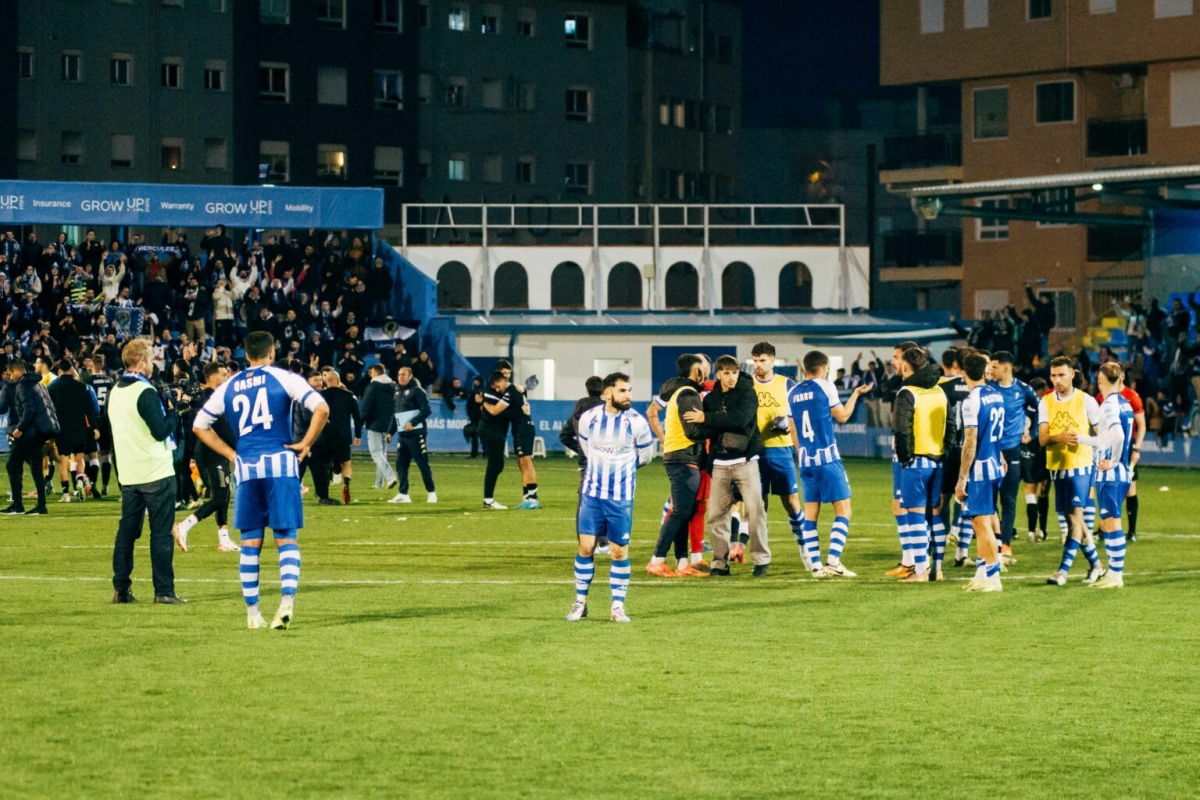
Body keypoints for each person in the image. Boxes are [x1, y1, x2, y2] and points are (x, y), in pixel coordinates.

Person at [193, 330, 329, 630]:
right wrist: (306, 443)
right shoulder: (283, 377)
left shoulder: (228, 386)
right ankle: (287, 600)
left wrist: (231, 453)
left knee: (250, 543)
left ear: (246, 355)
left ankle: (253, 613)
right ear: (272, 352)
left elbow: (200, 425)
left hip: (247, 470)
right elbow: (321, 408)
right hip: (280, 465)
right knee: (286, 538)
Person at [565, 373, 654, 624]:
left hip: (621, 498)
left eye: (630, 390)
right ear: (607, 394)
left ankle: (617, 607)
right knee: (585, 547)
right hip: (592, 494)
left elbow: (645, 457)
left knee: (618, 552)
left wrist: (621, 472)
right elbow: (585, 448)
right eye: (623, 391)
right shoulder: (588, 419)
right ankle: (580, 603)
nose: (628, 395)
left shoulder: (636, 422)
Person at [106, 339, 184, 604]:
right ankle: (163, 591)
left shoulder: (115, 390)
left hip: (129, 474)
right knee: (160, 534)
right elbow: (161, 430)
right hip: (155, 472)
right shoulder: (145, 391)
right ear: (141, 362)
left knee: (126, 532)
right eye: (150, 359)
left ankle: (121, 589)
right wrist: (176, 413)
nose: (152, 364)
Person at [684, 356, 771, 577]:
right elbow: (710, 429)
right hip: (720, 464)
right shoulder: (711, 399)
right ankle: (719, 564)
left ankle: (761, 561)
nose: (731, 377)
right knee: (715, 515)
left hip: (745, 461)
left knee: (755, 511)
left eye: (734, 372)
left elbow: (740, 420)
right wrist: (691, 428)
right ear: (719, 374)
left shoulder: (748, 393)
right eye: (726, 373)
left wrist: (706, 418)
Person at [788, 350, 870, 577]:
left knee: (811, 513)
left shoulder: (792, 393)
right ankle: (833, 560)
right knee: (844, 510)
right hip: (827, 459)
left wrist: (803, 453)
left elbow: (793, 429)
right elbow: (842, 415)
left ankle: (815, 565)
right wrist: (855, 395)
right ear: (824, 369)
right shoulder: (825, 386)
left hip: (805, 461)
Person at [1040, 356, 1106, 587]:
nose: (1057, 380)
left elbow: (1102, 437)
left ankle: (1062, 571)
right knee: (1072, 521)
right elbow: (1043, 439)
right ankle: (1097, 565)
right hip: (1057, 467)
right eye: (1053, 375)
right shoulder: (1045, 402)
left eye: (1061, 375)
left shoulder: (1087, 401)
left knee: (1075, 518)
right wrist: (1059, 437)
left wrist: (1081, 439)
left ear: (1072, 374)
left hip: (1081, 466)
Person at [645, 354, 708, 577]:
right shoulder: (689, 394)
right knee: (680, 511)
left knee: (684, 511)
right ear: (697, 372)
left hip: (680, 456)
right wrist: (713, 425)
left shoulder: (680, 392)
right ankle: (656, 560)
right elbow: (693, 429)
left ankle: (682, 564)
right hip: (684, 458)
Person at [890, 347, 948, 582]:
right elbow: (951, 425)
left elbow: (901, 430)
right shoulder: (939, 391)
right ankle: (938, 569)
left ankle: (921, 571)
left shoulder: (907, 392)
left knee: (914, 514)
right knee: (934, 515)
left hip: (917, 461)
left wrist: (905, 459)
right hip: (938, 460)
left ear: (906, 365)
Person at [172, 362, 240, 553]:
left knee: (223, 495)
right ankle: (184, 526)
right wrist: (236, 446)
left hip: (215, 450)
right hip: (211, 451)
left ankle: (224, 539)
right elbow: (218, 426)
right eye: (223, 374)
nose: (226, 377)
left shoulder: (210, 396)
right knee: (220, 497)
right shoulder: (209, 397)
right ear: (212, 377)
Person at [749, 342, 807, 568]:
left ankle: (805, 548)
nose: (758, 365)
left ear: (773, 360)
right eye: (755, 360)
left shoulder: (787, 385)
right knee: (758, 506)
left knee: (791, 502)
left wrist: (789, 429)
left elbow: (797, 418)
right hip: (755, 452)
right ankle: (760, 557)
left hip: (782, 450)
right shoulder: (747, 385)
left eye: (762, 360)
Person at [955, 352, 1007, 593]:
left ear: (963, 372)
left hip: (980, 469)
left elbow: (971, 440)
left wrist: (962, 477)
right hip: (995, 464)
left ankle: (993, 576)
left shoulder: (971, 400)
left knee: (981, 523)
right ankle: (981, 571)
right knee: (982, 521)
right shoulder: (996, 394)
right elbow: (999, 433)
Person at [1083, 362, 1134, 589]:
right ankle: (1114, 574)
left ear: (1101, 379)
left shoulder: (1109, 405)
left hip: (1111, 474)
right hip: (1121, 472)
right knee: (1107, 522)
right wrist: (1081, 438)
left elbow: (1119, 436)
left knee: (1111, 523)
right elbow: (1107, 439)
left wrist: (1111, 461)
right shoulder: (1125, 403)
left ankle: (1115, 575)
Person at [987, 351, 1039, 564]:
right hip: (990, 451)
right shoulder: (989, 389)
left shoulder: (1024, 390)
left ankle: (1005, 544)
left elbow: (1039, 412)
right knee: (989, 501)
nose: (991, 370)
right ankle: (992, 543)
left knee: (1008, 500)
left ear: (1007, 368)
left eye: (995, 367)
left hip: (1012, 451)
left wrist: (1033, 434)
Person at [2, 360, 60, 516]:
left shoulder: (22, 385)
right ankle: (41, 506)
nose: (9, 377)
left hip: (30, 432)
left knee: (12, 465)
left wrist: (20, 429)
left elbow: (29, 410)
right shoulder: (38, 384)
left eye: (9, 373)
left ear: (15, 371)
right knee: (35, 468)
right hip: (40, 432)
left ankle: (17, 505)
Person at [560, 376, 609, 553]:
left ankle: (587, 541)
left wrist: (581, 449)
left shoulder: (578, 411)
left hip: (585, 463)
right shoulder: (605, 410)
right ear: (604, 390)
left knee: (586, 503)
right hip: (604, 462)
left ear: (586, 389)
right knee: (605, 501)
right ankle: (603, 542)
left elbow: (564, 436)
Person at [47, 359, 98, 503]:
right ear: (71, 369)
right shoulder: (82, 387)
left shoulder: (52, 387)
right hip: (79, 428)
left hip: (62, 429)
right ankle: (80, 480)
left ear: (59, 371)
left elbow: (49, 410)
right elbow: (89, 409)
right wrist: (94, 427)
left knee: (63, 461)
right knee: (79, 459)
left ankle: (66, 494)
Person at [388, 365, 437, 504]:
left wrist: (413, 423)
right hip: (403, 436)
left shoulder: (417, 391)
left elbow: (426, 410)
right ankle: (403, 494)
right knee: (401, 465)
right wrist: (390, 432)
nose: (401, 377)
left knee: (422, 464)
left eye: (404, 375)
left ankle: (431, 492)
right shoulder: (397, 391)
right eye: (399, 374)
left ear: (410, 376)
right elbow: (395, 414)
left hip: (416, 435)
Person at [314, 367, 361, 506]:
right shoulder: (349, 395)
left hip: (325, 435)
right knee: (346, 462)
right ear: (339, 381)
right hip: (343, 435)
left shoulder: (320, 396)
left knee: (324, 463)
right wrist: (358, 434)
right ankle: (346, 483)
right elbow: (357, 417)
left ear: (326, 381)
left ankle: (324, 492)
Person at [478, 371, 523, 509]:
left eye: (498, 386)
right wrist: (484, 402)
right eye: (495, 387)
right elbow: (493, 411)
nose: (497, 389)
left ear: (504, 380)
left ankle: (488, 499)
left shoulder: (510, 391)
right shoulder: (493, 393)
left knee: (497, 464)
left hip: (495, 431)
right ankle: (488, 500)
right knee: (495, 464)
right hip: (489, 430)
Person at [359, 364, 399, 491]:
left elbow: (365, 407)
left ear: (375, 372)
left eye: (371, 372)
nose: (370, 374)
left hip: (375, 424)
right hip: (388, 425)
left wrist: (359, 422)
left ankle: (390, 477)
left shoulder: (373, 386)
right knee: (382, 454)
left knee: (376, 453)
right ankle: (379, 483)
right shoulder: (394, 386)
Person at [1022, 377, 1052, 543]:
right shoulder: (1044, 405)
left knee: (1030, 491)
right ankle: (1043, 529)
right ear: (1041, 390)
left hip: (1026, 450)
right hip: (1042, 450)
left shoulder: (1024, 405)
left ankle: (1032, 531)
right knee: (1044, 491)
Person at [85, 354, 117, 495]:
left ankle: (90, 484)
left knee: (89, 454)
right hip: (107, 419)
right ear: (102, 365)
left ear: (91, 365)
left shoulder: (87, 381)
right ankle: (104, 486)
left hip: (92, 420)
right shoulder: (110, 381)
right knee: (106, 454)